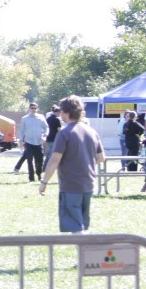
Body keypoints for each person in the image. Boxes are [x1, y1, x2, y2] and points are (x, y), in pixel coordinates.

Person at [39, 95, 105, 233]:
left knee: (75, 227)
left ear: (67, 112)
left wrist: (44, 182)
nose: (60, 114)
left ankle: (86, 253)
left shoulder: (65, 133)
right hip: (88, 184)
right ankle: (86, 252)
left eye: (61, 111)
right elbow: (101, 158)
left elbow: (55, 160)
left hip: (71, 185)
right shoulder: (92, 132)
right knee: (82, 224)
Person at [14, 102, 49, 182]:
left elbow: (46, 127)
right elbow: (22, 131)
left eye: (35, 108)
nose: (33, 110)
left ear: (37, 109)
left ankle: (39, 174)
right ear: (29, 109)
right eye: (32, 108)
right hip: (28, 142)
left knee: (39, 160)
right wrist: (20, 141)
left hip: (38, 142)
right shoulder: (24, 118)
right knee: (29, 160)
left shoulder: (41, 117)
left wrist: (45, 135)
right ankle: (31, 178)